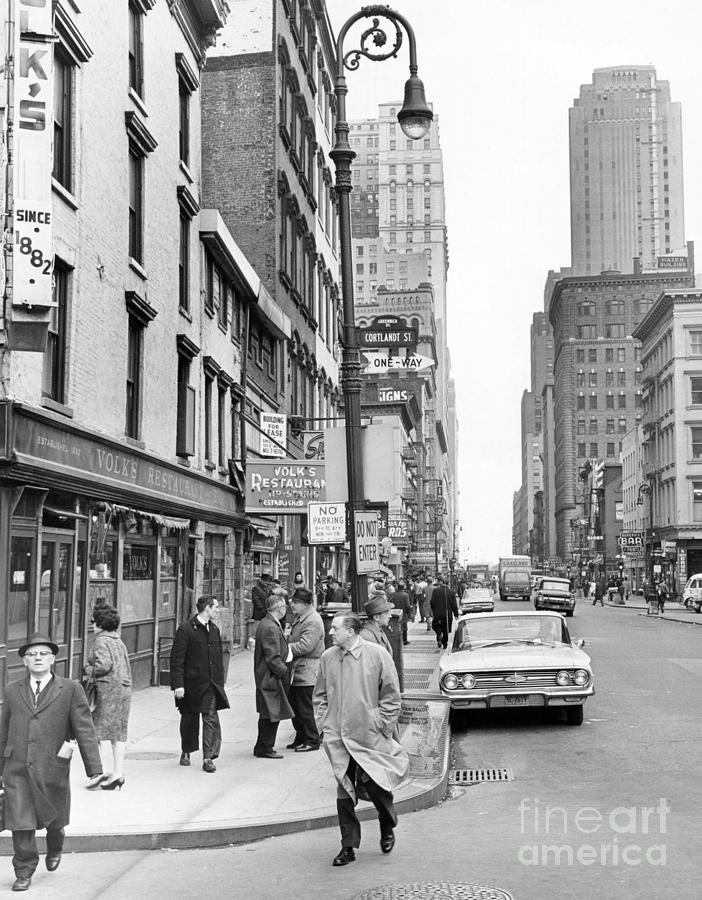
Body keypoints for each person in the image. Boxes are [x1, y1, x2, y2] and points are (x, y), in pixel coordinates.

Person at [0, 633, 102, 892]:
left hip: (52, 765)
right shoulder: (13, 689)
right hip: (17, 766)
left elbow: (84, 728)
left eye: (43, 654)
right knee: (20, 821)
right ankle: (23, 869)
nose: (37, 658)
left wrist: (95, 769)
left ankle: (56, 843)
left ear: (53, 659)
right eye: (31, 654)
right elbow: (3, 729)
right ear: (24, 661)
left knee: (54, 818)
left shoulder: (69, 688)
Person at [313, 613, 409, 867]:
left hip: (369, 735)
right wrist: (323, 724)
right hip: (338, 737)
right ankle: (348, 846)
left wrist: (382, 724)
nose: (330, 632)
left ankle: (387, 823)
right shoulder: (328, 658)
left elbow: (391, 695)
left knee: (378, 786)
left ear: (351, 631)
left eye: (335, 628)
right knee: (344, 793)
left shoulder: (377, 655)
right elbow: (320, 695)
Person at [170, 596, 230, 773]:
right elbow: (177, 659)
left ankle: (208, 758)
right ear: (207, 608)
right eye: (215, 607)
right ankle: (186, 750)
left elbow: (218, 658)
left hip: (210, 684)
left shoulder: (214, 630)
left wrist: (219, 682)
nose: (217, 610)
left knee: (210, 718)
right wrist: (178, 685)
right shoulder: (186, 630)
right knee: (189, 719)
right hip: (190, 684)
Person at [84, 604, 132, 791]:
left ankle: (100, 772)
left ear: (100, 623)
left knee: (99, 732)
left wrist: (88, 669)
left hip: (107, 693)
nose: (92, 625)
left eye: (93, 621)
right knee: (118, 735)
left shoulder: (101, 640)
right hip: (123, 690)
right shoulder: (117, 640)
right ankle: (117, 774)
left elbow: (103, 665)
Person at [253, 594, 294, 758]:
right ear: (279, 609)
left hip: (269, 676)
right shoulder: (270, 627)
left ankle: (262, 746)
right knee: (271, 713)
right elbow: (272, 657)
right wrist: (284, 671)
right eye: (284, 606)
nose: (285, 609)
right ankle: (265, 748)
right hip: (271, 677)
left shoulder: (268, 623)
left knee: (269, 713)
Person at [286, 588, 325, 752]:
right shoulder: (302, 617)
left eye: (295, 602)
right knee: (296, 706)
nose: (292, 605)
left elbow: (306, 645)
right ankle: (301, 736)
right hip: (299, 669)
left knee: (305, 708)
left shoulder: (313, 620)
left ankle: (312, 739)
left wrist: (285, 648)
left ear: (305, 604)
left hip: (308, 670)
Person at [430, 577, 459, 651]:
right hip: (447, 614)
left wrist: (434, 611)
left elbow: (432, 602)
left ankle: (439, 635)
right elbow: (454, 605)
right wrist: (456, 614)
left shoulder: (436, 591)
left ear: (442, 583)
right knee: (446, 629)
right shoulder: (451, 592)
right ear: (448, 584)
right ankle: (445, 643)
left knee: (436, 625)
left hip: (437, 613)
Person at [391, 581, 412, 646]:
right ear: (403, 587)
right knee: (404, 627)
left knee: (395, 627)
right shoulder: (405, 595)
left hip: (394, 613)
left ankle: (395, 640)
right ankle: (404, 640)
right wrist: (409, 614)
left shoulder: (393, 594)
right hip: (403, 613)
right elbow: (407, 606)